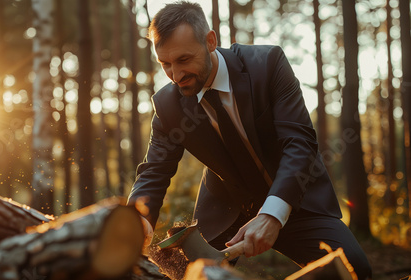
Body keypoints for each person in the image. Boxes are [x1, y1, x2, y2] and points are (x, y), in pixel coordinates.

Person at [127, 1, 372, 279]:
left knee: (354, 270)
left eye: (184, 60)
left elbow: (300, 143)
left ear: (210, 41)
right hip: (226, 209)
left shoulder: (268, 65)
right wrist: (136, 221)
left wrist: (272, 214)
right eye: (166, 64)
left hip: (295, 198)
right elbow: (154, 171)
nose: (176, 75)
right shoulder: (167, 105)